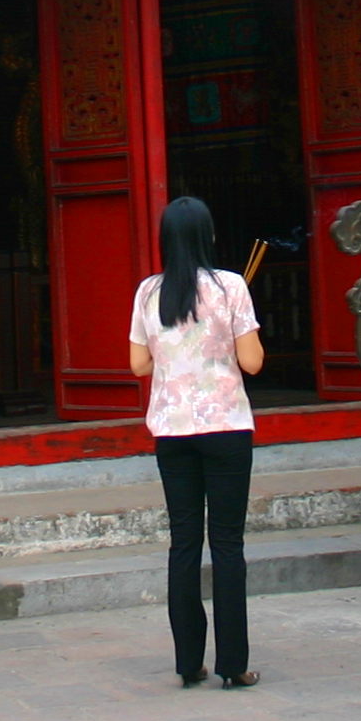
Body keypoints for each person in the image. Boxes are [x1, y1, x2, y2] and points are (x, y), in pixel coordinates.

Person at [127, 194, 265, 689]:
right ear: (208, 236)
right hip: (226, 425)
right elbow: (252, 362)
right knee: (227, 544)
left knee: (184, 542)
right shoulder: (230, 286)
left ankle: (188, 661)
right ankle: (234, 662)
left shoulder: (149, 292)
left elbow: (139, 365)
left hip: (172, 430)